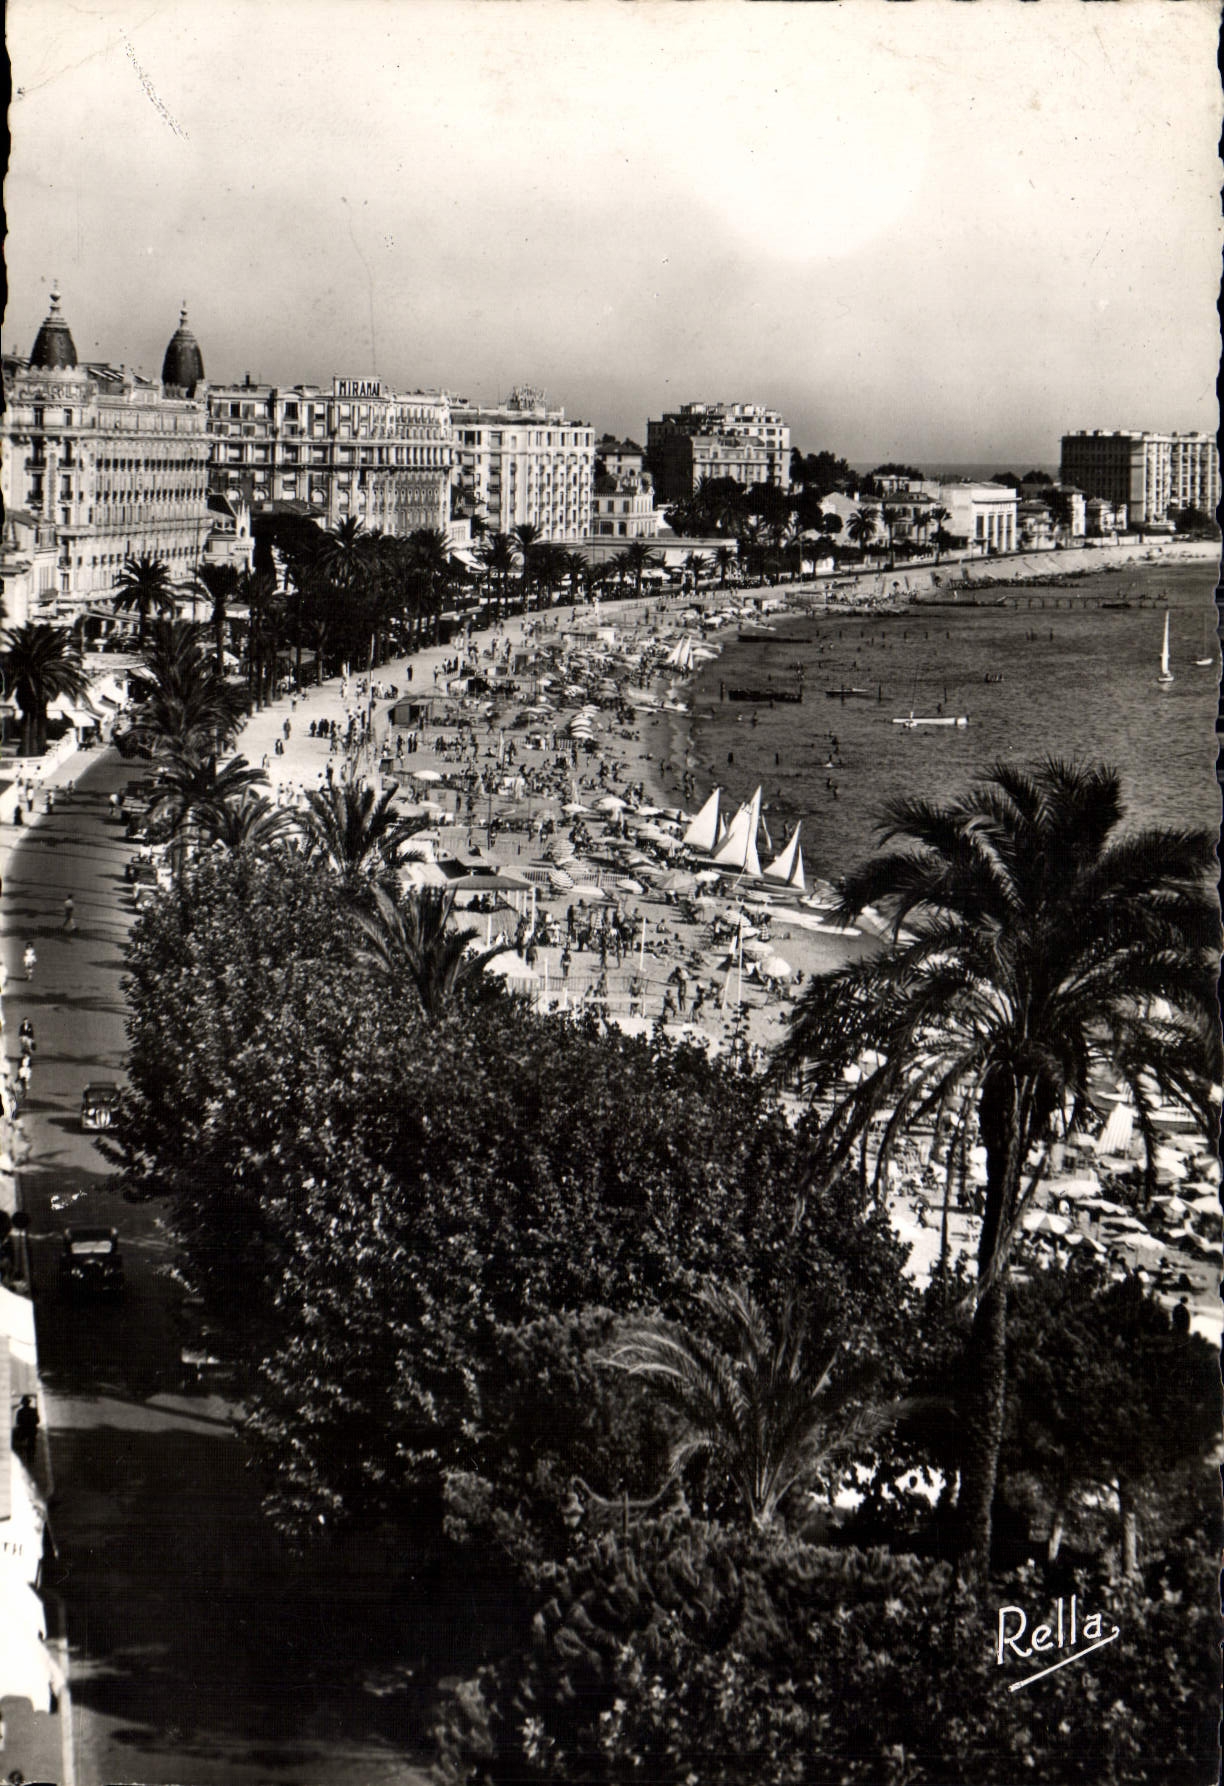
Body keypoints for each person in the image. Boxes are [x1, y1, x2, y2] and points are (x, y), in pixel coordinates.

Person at [12, 1394, 39, 1460]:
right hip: (32, 1430)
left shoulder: (20, 1412)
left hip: (24, 1430)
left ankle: (21, 1448)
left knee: (15, 1436)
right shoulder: (33, 1411)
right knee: (32, 1441)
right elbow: (37, 1420)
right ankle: (30, 1454)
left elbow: (18, 1422)